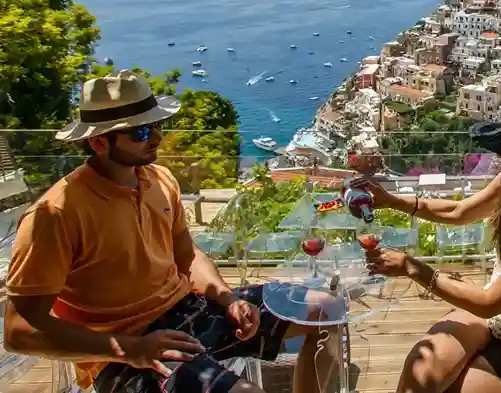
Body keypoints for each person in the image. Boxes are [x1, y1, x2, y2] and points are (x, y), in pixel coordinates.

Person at [4, 70, 335, 393]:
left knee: (328, 311)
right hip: (127, 353)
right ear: (99, 141)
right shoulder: (56, 214)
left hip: (188, 310)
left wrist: (227, 297)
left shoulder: (159, 179)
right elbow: (19, 331)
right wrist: (131, 349)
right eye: (142, 133)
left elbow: (187, 256)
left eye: (157, 125)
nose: (158, 137)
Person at [354, 92, 501, 393]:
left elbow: (491, 302)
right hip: (498, 321)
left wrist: (411, 267)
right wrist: (391, 201)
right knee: (420, 371)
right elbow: (459, 211)